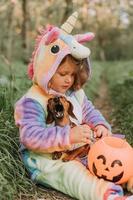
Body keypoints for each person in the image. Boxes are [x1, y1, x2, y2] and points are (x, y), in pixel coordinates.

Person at [14, 12, 133, 200]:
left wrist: (100, 126)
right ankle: (109, 195)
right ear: (46, 68)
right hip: (48, 161)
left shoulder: (73, 93)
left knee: (110, 156)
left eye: (72, 74)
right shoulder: (32, 101)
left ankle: (127, 176)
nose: (69, 80)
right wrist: (67, 136)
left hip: (77, 148)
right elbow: (30, 137)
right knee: (75, 176)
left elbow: (88, 111)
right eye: (62, 73)